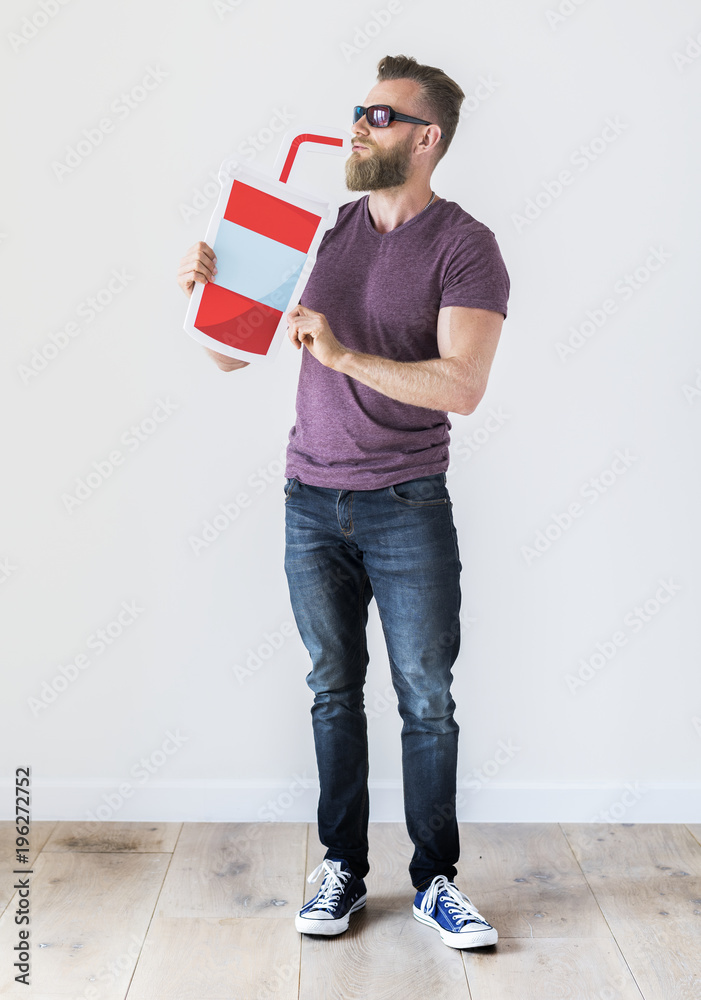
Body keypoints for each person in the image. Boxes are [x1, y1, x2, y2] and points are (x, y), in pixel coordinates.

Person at [177, 54, 509, 951]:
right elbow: (232, 356)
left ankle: (436, 881)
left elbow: (463, 386)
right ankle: (342, 870)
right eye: (357, 111)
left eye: (381, 115)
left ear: (426, 138)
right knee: (331, 691)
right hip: (308, 500)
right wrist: (210, 298)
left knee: (425, 698)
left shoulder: (463, 245)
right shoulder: (318, 232)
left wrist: (345, 357)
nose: (358, 125)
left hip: (406, 504)